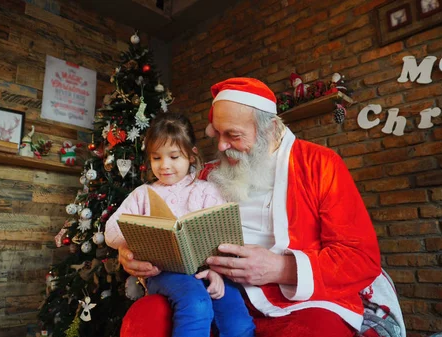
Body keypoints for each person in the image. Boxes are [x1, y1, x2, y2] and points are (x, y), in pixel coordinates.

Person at [116, 78, 406, 337]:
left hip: (301, 302)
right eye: (216, 134)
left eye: (233, 135)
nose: (221, 146)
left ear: (270, 129)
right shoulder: (204, 177)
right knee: (144, 320)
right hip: (215, 291)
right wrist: (130, 255)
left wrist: (282, 268)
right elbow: (168, 228)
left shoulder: (320, 165)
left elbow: (360, 259)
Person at [105, 112, 256, 337]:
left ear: (191, 156)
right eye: (157, 158)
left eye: (174, 157)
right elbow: (111, 231)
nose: (165, 166)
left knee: (238, 321)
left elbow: (225, 236)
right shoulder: (143, 194)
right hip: (163, 273)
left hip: (210, 270)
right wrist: (133, 240)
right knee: (196, 304)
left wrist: (217, 273)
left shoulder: (207, 190)